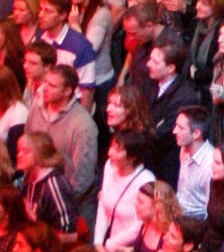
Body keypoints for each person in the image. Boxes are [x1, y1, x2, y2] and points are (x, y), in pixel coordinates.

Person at [23, 64, 97, 221]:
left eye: (52, 86)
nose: (44, 89)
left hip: (65, 207)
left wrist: (59, 202)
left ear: (68, 91)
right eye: (45, 83)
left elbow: (82, 176)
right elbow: (26, 146)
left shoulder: (82, 125)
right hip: (34, 198)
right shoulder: (36, 110)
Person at [95, 130, 157, 252]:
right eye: (111, 147)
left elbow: (139, 225)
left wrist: (110, 245)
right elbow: (103, 203)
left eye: (117, 150)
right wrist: (98, 242)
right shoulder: (109, 166)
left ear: (132, 156)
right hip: (105, 242)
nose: (110, 153)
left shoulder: (146, 180)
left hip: (125, 247)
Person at [147, 41, 197, 186]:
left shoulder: (185, 97)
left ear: (170, 68)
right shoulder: (151, 83)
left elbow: (165, 134)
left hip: (166, 167)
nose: (148, 64)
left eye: (155, 62)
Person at [17, 131, 78, 239]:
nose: (19, 155)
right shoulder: (29, 180)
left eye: (26, 151)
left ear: (40, 153)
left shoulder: (54, 184)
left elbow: (68, 231)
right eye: (19, 151)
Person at [173, 106, 214, 220]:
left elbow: (210, 211)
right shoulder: (184, 150)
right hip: (179, 214)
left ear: (196, 134)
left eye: (180, 128)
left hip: (195, 223)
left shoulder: (210, 165)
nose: (174, 131)